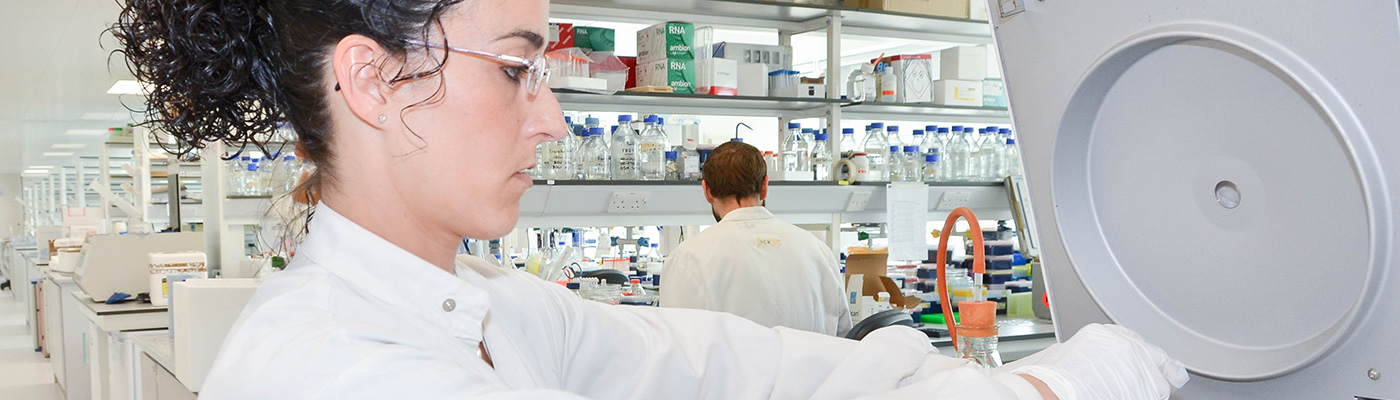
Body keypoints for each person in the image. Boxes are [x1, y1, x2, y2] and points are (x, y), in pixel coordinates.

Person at [111, 0, 1187, 399]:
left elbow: (730, 363)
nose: (551, 119)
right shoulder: (335, 372)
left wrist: (949, 372)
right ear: (371, 80)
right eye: (515, 69)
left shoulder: (484, 305)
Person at [660, 142, 852, 336]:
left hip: (729, 368)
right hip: (811, 367)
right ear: (765, 186)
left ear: (707, 191)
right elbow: (844, 338)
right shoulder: (818, 251)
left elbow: (677, 345)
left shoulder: (687, 258)